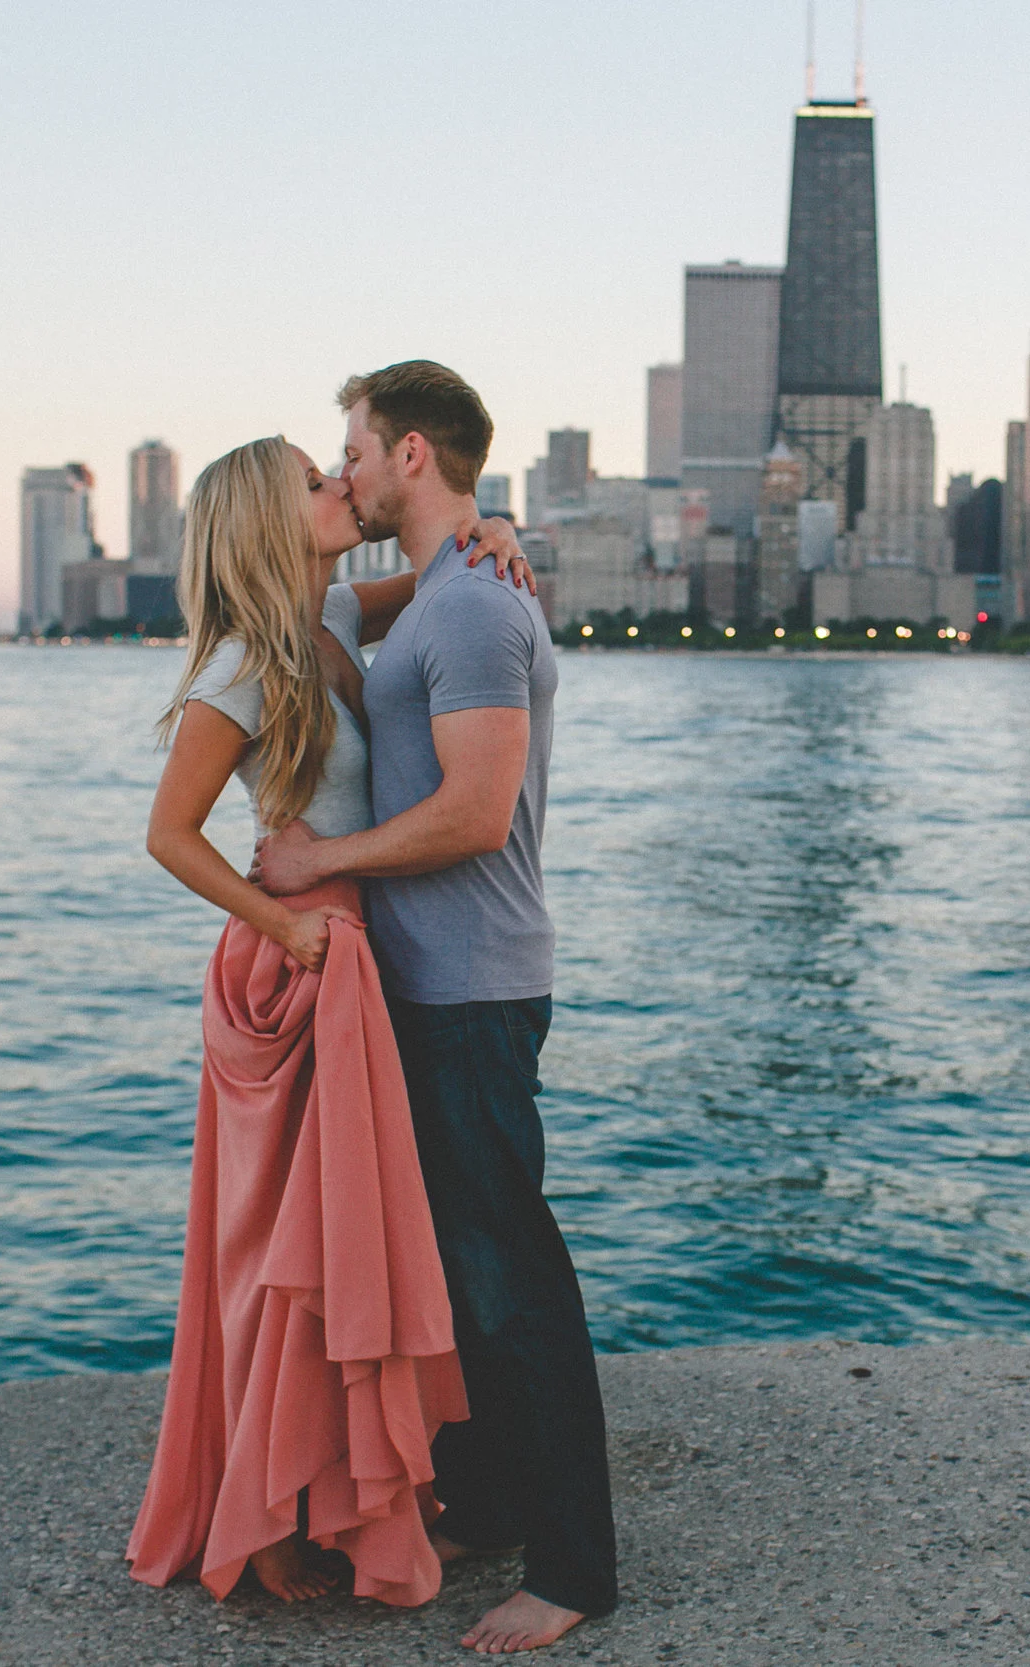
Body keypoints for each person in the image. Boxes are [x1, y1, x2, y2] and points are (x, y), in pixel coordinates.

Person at [123, 434, 535, 1609]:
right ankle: (261, 1515)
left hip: (351, 954)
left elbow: (451, 562)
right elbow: (170, 832)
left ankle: (324, 1490)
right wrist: (285, 920)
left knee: (344, 1241)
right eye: (313, 481)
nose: (337, 488)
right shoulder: (247, 665)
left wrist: (497, 531)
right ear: (268, 516)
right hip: (299, 963)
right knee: (288, 1253)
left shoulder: (338, 613)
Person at [256, 361, 615, 1654]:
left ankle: (577, 1566)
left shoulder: (468, 613)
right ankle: (506, 1497)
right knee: (463, 1278)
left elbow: (473, 811)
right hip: (425, 984)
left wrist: (318, 863)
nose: (341, 468)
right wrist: (493, 525)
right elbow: (319, 605)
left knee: (513, 1276)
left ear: (409, 450)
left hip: (473, 985)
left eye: (352, 447)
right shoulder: (437, 594)